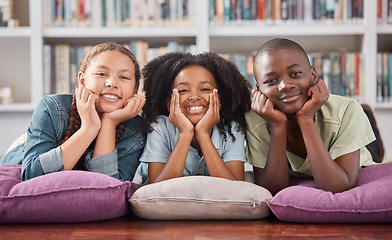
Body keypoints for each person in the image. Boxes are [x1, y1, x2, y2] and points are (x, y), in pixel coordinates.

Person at [246, 38, 377, 195]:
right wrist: (278, 126)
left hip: (358, 162)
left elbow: (339, 187)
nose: (284, 86)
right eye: (271, 80)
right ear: (258, 89)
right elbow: (272, 189)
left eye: (295, 74)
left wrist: (306, 119)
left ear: (313, 74)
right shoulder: (254, 120)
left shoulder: (347, 110)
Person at [0, 42, 146, 181]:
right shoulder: (52, 108)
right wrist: (89, 129)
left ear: (135, 88)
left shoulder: (136, 131)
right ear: (82, 81)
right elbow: (33, 177)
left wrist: (109, 124)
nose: (112, 83)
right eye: (102, 74)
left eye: (124, 77)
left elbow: (109, 191)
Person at [134, 52, 251, 184]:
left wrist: (203, 134)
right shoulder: (159, 126)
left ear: (219, 100)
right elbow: (156, 187)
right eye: (183, 90)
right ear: (169, 103)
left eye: (205, 89)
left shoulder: (232, 129)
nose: (194, 96)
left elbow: (235, 188)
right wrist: (185, 133)